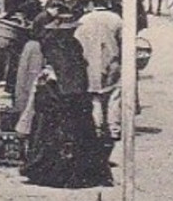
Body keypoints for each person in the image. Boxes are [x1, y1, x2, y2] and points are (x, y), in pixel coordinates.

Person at [20, 10, 112, 189]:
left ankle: (54, 171)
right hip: (67, 94)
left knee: (54, 133)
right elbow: (73, 70)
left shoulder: (58, 43)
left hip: (61, 94)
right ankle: (68, 171)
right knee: (73, 133)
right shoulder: (65, 44)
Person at [74, 0, 124, 141]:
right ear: (107, 1)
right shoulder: (116, 19)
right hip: (112, 62)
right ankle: (114, 128)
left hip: (89, 63)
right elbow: (123, 42)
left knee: (95, 97)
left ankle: (97, 128)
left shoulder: (83, 20)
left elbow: (77, 42)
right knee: (114, 96)